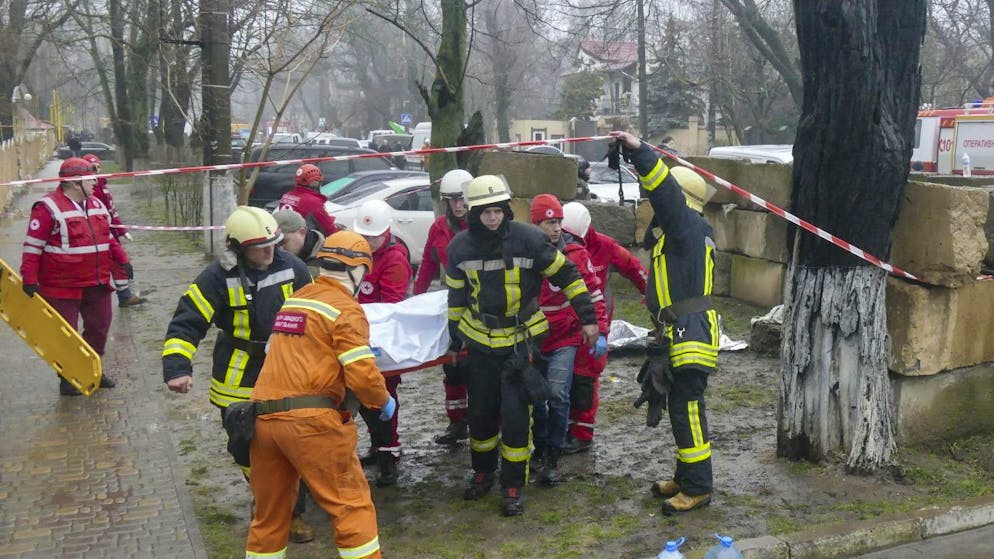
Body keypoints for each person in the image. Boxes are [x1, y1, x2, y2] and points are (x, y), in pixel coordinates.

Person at [445, 175, 599, 517]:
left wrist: (588, 319)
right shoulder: (459, 248)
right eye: (485, 212)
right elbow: (456, 298)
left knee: (517, 419)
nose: (493, 218)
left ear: (506, 209)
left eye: (498, 210)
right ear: (473, 213)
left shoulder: (530, 240)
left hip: (521, 343)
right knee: (481, 417)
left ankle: (513, 484)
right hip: (480, 343)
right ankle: (483, 471)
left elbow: (569, 276)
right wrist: (454, 340)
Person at [161, 206, 317, 540]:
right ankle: (265, 500)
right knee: (248, 448)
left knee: (293, 444)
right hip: (237, 375)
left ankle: (291, 513)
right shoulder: (216, 279)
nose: (270, 251)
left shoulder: (294, 268)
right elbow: (186, 323)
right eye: (260, 246)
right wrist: (177, 367)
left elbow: (316, 312)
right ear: (237, 247)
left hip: (286, 368)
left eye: (274, 243)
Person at [246, 231, 392, 559]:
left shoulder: (298, 298)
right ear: (357, 271)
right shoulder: (346, 309)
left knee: (269, 518)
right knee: (351, 506)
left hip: (263, 420)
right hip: (310, 422)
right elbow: (362, 376)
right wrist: (381, 401)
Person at [612, 130, 719, 515]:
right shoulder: (686, 234)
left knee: (687, 409)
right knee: (680, 408)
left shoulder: (685, 226)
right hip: (682, 330)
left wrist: (641, 153)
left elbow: (665, 194)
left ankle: (698, 487)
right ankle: (686, 475)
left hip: (690, 332)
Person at [20, 157, 129, 395]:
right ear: (75, 182)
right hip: (62, 286)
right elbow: (32, 247)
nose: (95, 182)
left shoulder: (97, 204)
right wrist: (29, 279)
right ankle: (68, 377)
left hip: (97, 283)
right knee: (65, 335)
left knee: (99, 328)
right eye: (91, 178)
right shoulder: (47, 208)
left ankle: (93, 371)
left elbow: (108, 237)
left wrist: (122, 260)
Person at [528, 194, 609, 486]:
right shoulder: (525, 256)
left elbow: (593, 294)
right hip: (534, 338)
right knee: (536, 399)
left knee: (558, 395)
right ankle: (540, 449)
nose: (556, 228)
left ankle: (553, 455)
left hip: (565, 338)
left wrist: (599, 328)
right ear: (535, 223)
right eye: (550, 222)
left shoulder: (576, 254)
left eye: (559, 221)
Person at [561, 201, 648, 454]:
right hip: (566, 324)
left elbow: (635, 269)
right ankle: (564, 428)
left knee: (587, 378)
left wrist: (652, 298)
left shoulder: (605, 246)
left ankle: (583, 433)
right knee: (565, 379)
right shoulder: (556, 246)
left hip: (597, 325)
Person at [353, 199, 412, 486]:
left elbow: (391, 306)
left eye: (372, 237)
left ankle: (390, 451)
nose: (368, 242)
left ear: (386, 231)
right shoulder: (359, 252)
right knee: (363, 397)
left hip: (382, 338)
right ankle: (379, 446)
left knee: (384, 396)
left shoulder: (394, 258)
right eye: (364, 237)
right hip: (358, 333)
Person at [412, 169, 472, 445]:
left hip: (481, 302)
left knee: (477, 366)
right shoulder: (439, 227)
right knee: (452, 365)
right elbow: (428, 263)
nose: (458, 205)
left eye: (462, 199)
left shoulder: (482, 225)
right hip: (452, 300)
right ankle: (457, 421)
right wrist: (416, 299)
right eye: (452, 200)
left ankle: (482, 421)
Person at [81, 154, 147, 308]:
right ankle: (117, 296)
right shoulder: (88, 189)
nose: (96, 171)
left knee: (119, 262)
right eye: (92, 168)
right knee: (110, 263)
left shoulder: (102, 184)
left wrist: (122, 230)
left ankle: (124, 295)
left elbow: (111, 210)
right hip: (96, 233)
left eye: (98, 167)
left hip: (109, 231)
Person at [276, 163, 338, 236]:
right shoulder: (313, 202)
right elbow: (329, 230)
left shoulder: (286, 196)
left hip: (284, 238)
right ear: (315, 183)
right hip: (303, 242)